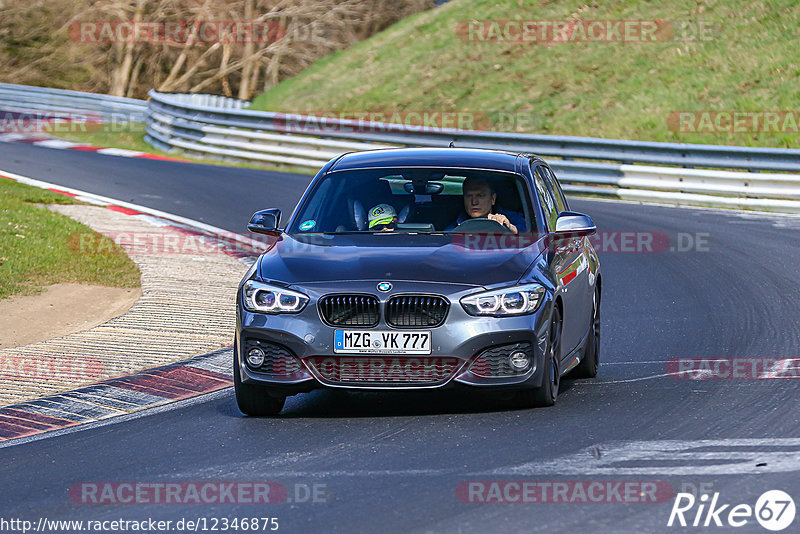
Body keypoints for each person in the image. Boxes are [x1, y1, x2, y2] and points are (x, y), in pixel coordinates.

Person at [446, 177, 525, 234]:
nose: (474, 202)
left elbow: (531, 234)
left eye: (480, 195)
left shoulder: (513, 218)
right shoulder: (454, 227)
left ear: (493, 199)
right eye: (469, 196)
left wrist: (510, 228)